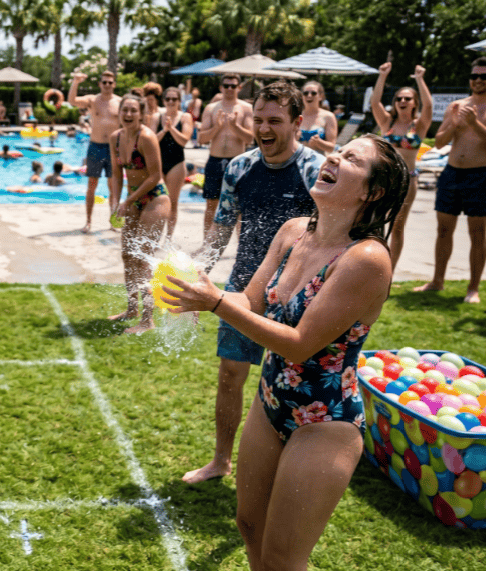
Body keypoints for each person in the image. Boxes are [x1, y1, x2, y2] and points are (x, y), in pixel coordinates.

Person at [164, 135, 409, 570]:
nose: (333, 155)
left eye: (351, 158)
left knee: (283, 558)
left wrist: (215, 304)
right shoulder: (295, 231)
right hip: (271, 402)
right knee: (248, 525)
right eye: (340, 149)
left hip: (324, 422)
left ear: (371, 192)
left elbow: (299, 344)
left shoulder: (367, 259)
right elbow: (252, 301)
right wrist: (201, 291)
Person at [185, 82, 325, 484]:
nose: (263, 129)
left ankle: (291, 466)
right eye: (258, 120)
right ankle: (221, 460)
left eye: (274, 121)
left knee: (291, 384)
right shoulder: (239, 168)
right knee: (230, 374)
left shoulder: (316, 172)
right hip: (245, 286)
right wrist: (199, 282)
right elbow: (219, 233)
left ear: (297, 123)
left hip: (298, 296)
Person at [415, 57, 486, 303]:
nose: (478, 80)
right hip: (452, 172)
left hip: (480, 174)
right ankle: (437, 281)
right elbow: (439, 142)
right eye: (474, 76)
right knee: (443, 229)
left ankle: (473, 288)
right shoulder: (457, 105)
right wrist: (455, 125)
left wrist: (474, 123)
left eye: (483, 77)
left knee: (478, 233)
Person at [107, 94, 171, 334]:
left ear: (141, 114)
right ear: (120, 112)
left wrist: (129, 200)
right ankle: (131, 308)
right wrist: (115, 201)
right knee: (127, 255)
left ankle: (147, 319)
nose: (129, 114)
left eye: (134, 110)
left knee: (143, 258)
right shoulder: (115, 139)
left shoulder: (146, 137)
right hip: (133, 199)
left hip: (155, 198)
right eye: (126, 109)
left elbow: (155, 175)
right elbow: (116, 174)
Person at [370, 63, 433, 271]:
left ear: (414, 103)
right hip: (384, 179)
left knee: (397, 226)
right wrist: (382, 75)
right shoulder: (387, 122)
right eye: (399, 98)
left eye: (407, 98)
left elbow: (430, 107)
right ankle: (372, 266)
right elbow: (375, 101)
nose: (402, 101)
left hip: (408, 180)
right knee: (375, 222)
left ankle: (390, 270)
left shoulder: (419, 125)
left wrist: (420, 79)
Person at [199, 73, 254, 238]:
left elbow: (250, 138)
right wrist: (217, 127)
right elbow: (201, 139)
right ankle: (206, 243)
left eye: (233, 85)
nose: (229, 89)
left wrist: (235, 126)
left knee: (239, 207)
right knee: (211, 204)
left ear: (239, 87)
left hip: (237, 163)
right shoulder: (211, 108)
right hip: (215, 160)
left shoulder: (245, 108)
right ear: (221, 87)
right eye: (226, 85)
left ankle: (240, 248)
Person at [68, 71, 122, 234]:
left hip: (113, 148)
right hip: (95, 146)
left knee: (113, 187)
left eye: (110, 82)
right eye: (104, 82)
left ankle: (113, 222)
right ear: (100, 84)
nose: (107, 85)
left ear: (114, 84)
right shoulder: (93, 100)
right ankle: (88, 222)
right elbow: (72, 101)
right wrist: (76, 82)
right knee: (92, 185)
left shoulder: (120, 102)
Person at [157, 87, 194, 240]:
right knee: (158, 202)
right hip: (159, 163)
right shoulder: (156, 117)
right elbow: (152, 140)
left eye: (174, 99)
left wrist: (171, 128)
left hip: (176, 163)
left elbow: (184, 140)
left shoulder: (185, 117)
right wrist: (164, 130)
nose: (171, 102)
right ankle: (156, 235)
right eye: (168, 99)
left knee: (172, 202)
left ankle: (168, 238)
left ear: (179, 101)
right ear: (164, 101)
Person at [299, 81, 338, 155]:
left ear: (320, 96)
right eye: (305, 93)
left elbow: (331, 147)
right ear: (302, 96)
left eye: (313, 93)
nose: (309, 95)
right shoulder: (295, 115)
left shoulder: (328, 117)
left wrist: (319, 143)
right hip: (297, 161)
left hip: (318, 162)